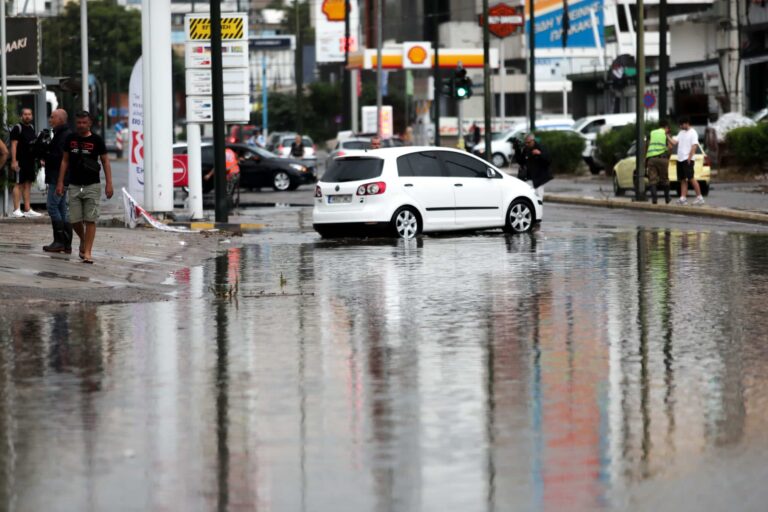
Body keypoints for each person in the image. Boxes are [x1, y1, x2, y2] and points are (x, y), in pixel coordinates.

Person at [56, 111, 113, 264]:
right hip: (74, 185)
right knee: (74, 220)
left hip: (92, 186)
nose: (81, 125)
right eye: (78, 122)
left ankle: (87, 252)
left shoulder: (97, 140)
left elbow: (106, 162)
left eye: (84, 122)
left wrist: (109, 183)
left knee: (90, 220)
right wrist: (60, 182)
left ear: (90, 123)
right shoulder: (71, 139)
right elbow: (65, 161)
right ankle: (83, 239)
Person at [42, 109, 73, 253]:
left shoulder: (64, 135)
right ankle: (66, 243)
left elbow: (61, 158)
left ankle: (59, 241)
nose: (50, 120)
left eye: (52, 117)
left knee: (52, 206)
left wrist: (46, 153)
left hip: (58, 177)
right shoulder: (62, 134)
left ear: (60, 119)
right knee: (61, 208)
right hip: (60, 177)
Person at [9, 108, 43, 218]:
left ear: (32, 116)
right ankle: (16, 209)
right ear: (21, 116)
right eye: (25, 114)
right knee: (18, 184)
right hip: (20, 161)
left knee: (28, 184)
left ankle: (27, 209)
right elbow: (13, 145)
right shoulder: (17, 128)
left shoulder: (31, 128)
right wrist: (14, 161)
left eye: (29, 114)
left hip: (30, 161)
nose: (27, 116)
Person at [670, 116, 704, 205]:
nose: (680, 126)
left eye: (681, 125)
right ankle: (683, 198)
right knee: (682, 179)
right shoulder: (681, 132)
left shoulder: (693, 133)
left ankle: (699, 197)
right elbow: (674, 142)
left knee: (691, 178)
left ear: (686, 123)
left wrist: (689, 157)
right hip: (680, 158)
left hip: (687, 159)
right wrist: (667, 136)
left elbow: (694, 146)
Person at [513, 134, 552, 199]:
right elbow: (521, 161)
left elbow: (548, 160)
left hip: (539, 178)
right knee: (528, 197)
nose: (527, 144)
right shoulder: (526, 149)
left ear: (533, 140)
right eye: (526, 143)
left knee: (538, 198)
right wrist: (517, 150)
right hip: (528, 178)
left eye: (529, 142)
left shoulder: (540, 147)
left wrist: (540, 154)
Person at [645, 119, 672, 204]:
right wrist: (668, 156)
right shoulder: (665, 134)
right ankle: (667, 199)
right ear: (666, 127)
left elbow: (647, 145)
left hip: (651, 159)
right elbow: (670, 147)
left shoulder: (652, 133)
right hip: (662, 158)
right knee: (665, 179)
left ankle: (654, 199)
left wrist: (646, 159)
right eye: (668, 128)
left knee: (652, 179)